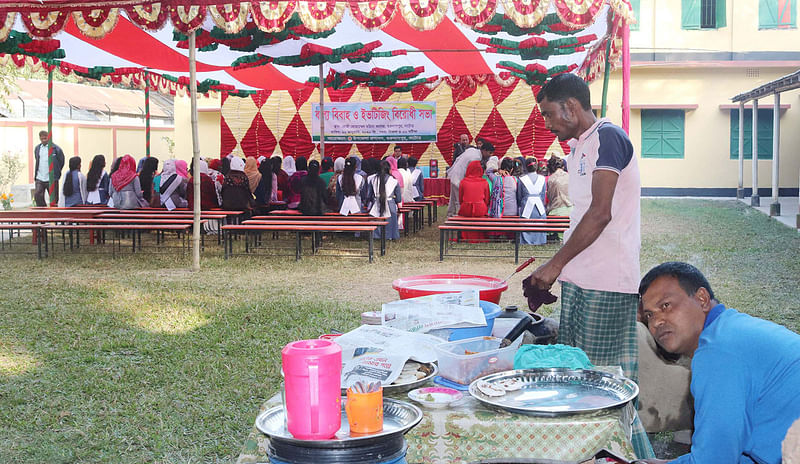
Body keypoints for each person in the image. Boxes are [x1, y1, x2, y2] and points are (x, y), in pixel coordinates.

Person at [523, 73, 641, 386]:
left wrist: (554, 265)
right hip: (579, 277)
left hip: (607, 281)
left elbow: (600, 213)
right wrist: (560, 270)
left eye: (548, 114)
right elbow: (580, 216)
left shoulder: (609, 138)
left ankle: (623, 436)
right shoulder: (578, 147)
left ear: (572, 107)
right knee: (577, 372)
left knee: (605, 380)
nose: (547, 124)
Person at [637, 262, 800, 464]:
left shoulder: (718, 352)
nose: (656, 322)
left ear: (702, 299)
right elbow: (732, 450)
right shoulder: (730, 329)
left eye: (666, 306)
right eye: (649, 315)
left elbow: (715, 460)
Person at [446, 141, 495, 217]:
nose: (490, 155)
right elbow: (472, 173)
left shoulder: (472, 150)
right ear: (484, 150)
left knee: (452, 200)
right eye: (490, 153)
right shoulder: (476, 158)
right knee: (459, 202)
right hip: (459, 179)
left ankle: (450, 216)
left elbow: (457, 159)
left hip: (454, 175)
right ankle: (460, 222)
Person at [367, 160, 401, 240]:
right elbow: (398, 198)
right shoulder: (394, 181)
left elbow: (369, 196)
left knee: (375, 218)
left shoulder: (373, 180)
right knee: (391, 219)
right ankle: (391, 236)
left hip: (376, 203)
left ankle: (376, 236)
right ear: (389, 169)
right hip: (390, 204)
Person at [517, 158, 547, 245]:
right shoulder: (542, 178)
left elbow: (519, 195)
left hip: (526, 203)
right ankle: (540, 240)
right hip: (539, 206)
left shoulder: (522, 179)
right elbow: (543, 195)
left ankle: (526, 241)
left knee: (526, 221)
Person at [458, 160, 490, 242]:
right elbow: (487, 200)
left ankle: (465, 236)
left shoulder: (463, 182)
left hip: (466, 208)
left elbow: (460, 199)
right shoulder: (484, 182)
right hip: (480, 209)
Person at [33, 130, 65, 207]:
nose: (43, 140)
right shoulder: (38, 148)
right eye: (42, 139)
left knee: (54, 199)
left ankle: (54, 216)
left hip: (51, 177)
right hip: (40, 177)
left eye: (45, 138)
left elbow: (61, 161)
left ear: (49, 138)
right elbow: (37, 159)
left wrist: (56, 172)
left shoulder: (56, 149)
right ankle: (43, 212)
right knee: (37, 195)